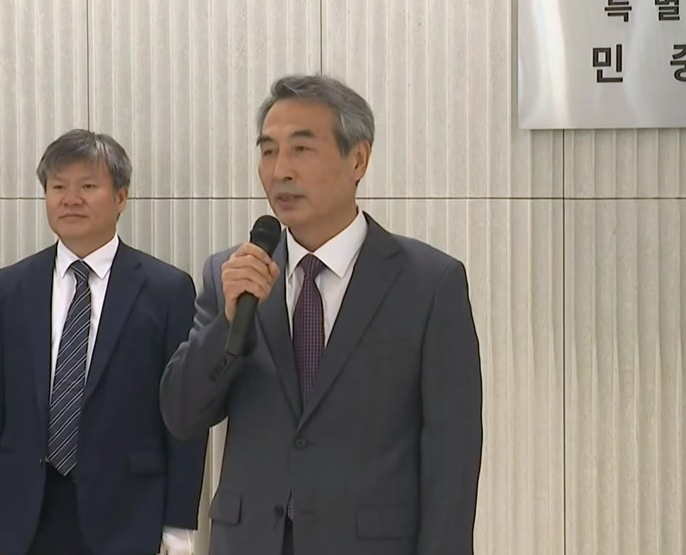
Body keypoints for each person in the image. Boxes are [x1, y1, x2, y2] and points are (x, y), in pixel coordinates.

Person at [160, 74, 483, 555]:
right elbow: (181, 416)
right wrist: (227, 322)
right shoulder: (233, 275)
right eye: (268, 151)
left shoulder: (429, 283)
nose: (280, 170)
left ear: (358, 159)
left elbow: (451, 454)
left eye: (301, 149)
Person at [0, 129, 207, 555]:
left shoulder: (167, 289)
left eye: (88, 187)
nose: (71, 199)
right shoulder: (10, 287)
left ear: (121, 197)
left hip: (129, 513)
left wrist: (179, 521)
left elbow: (183, 416)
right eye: (58, 187)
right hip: (25, 512)